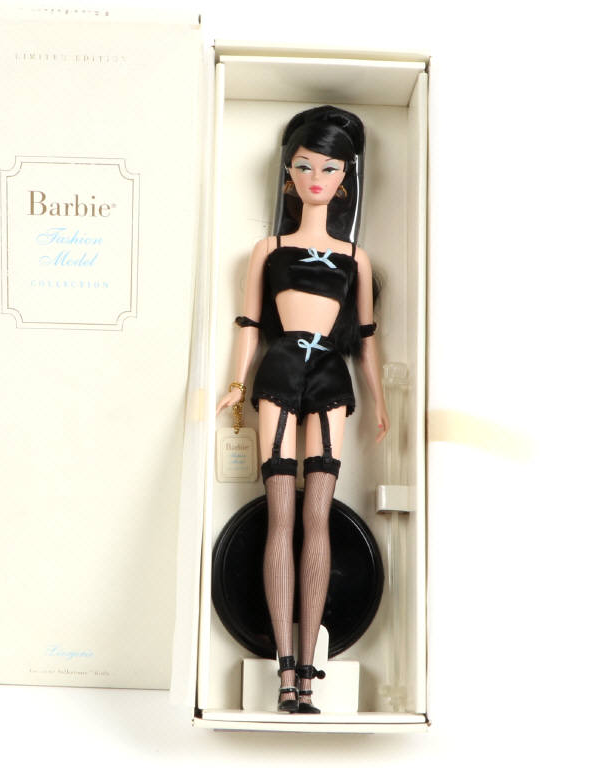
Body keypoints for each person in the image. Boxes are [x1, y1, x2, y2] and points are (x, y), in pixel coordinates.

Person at [215, 105, 389, 714]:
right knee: (280, 514)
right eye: (306, 166)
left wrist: (380, 400)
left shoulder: (355, 257)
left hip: (331, 377)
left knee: (318, 515)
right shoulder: (270, 248)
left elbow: (365, 337)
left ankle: (309, 675)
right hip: (281, 370)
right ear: (288, 174)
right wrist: (235, 383)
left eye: (330, 168)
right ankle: (284, 672)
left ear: (345, 179)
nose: (317, 177)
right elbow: (248, 324)